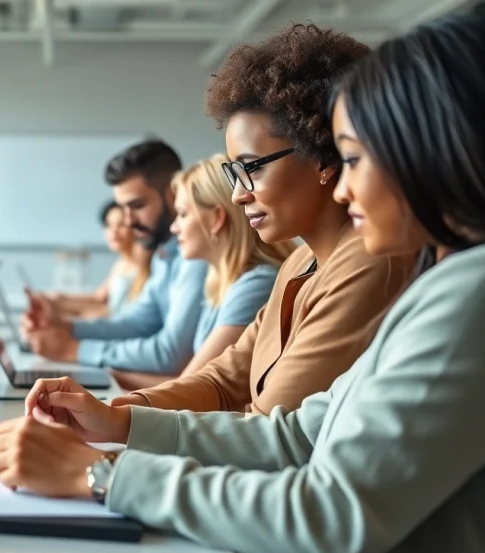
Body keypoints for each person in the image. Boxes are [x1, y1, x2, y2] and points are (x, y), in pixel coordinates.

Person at [0, 14, 485, 553]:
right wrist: (115, 423)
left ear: (429, 149)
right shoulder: (361, 272)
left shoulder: (460, 292)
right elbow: (291, 433)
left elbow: (331, 513)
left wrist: (103, 476)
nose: (347, 187)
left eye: (353, 158)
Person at [112, 24, 415, 414]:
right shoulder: (297, 263)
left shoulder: (368, 263)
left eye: (252, 168)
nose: (239, 194)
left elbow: (271, 426)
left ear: (322, 155)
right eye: (234, 175)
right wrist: (113, 411)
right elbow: (223, 381)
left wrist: (115, 433)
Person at [21, 139, 209, 375]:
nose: (129, 221)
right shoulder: (164, 256)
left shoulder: (197, 259)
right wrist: (62, 325)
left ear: (173, 194)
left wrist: (73, 350)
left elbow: (172, 354)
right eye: (123, 208)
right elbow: (136, 323)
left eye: (137, 205)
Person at [110, 154, 295, 390]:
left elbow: (190, 390)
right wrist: (113, 377)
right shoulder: (218, 284)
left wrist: (115, 380)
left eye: (184, 214)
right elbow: (189, 385)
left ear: (217, 218)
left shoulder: (256, 284)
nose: (174, 227)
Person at [45, 201, 151, 319]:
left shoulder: (145, 266)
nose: (113, 232)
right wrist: (59, 300)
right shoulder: (121, 263)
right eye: (108, 225)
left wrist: (69, 311)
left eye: (121, 225)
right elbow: (100, 297)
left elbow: (120, 313)